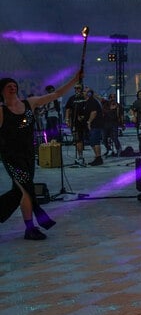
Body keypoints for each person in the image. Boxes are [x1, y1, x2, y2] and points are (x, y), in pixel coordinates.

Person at [1, 70, 82, 240]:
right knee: (27, 189)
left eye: (14, 85)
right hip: (12, 157)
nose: (12, 88)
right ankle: (32, 227)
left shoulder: (29, 103)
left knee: (21, 192)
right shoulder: (1, 111)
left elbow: (57, 93)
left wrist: (74, 79)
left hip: (29, 154)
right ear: (1, 90)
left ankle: (29, 227)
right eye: (8, 86)